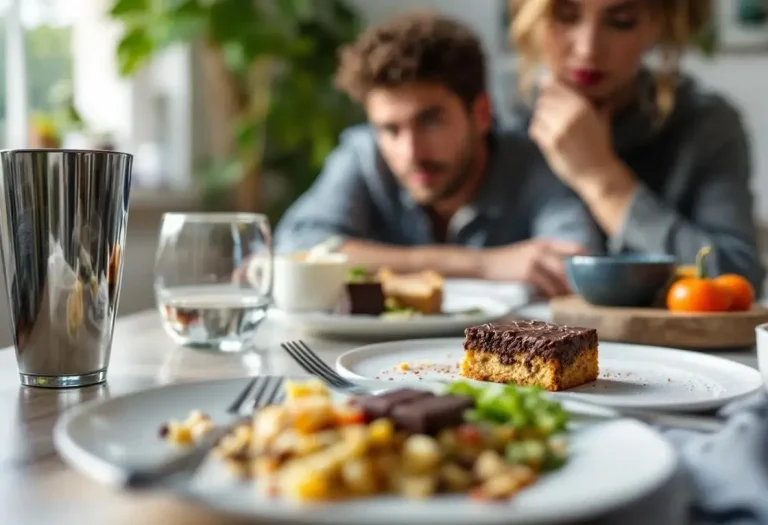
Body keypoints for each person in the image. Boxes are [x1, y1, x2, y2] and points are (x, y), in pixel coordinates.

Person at [274, 11, 601, 297]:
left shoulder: (532, 162)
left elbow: (578, 263)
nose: (411, 152)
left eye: (430, 121)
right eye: (391, 130)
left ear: (482, 114)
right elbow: (296, 246)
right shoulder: (363, 155)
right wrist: (482, 264)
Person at [509, 0, 766, 292]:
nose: (588, 49)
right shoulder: (507, 121)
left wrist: (602, 179)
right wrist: (487, 263)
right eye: (566, 17)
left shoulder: (704, 124)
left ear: (656, 25)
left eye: (621, 21)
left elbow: (738, 280)